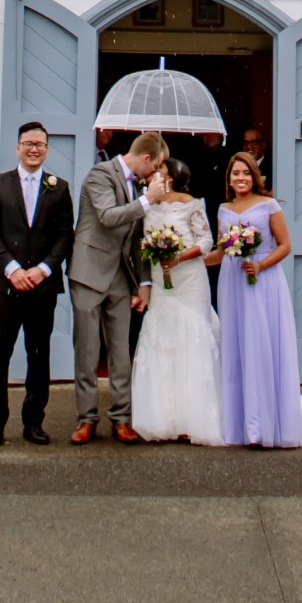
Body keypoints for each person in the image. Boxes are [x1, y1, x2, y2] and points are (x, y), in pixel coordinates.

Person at [68, 129, 169, 444]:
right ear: (145, 158)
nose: (155, 174)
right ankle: (86, 420)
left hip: (120, 278)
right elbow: (108, 217)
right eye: (155, 167)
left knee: (121, 352)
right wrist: (147, 200)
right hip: (89, 272)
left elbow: (137, 238)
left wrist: (143, 281)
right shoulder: (99, 174)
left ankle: (121, 419)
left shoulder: (138, 185)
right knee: (87, 350)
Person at [0, 121, 75, 448]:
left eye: (40, 144)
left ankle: (34, 422)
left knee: (38, 355)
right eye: (28, 143)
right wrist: (13, 269)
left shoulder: (58, 187)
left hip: (42, 288)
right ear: (18, 147)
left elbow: (65, 235)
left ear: (47, 149)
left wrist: (45, 270)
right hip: (6, 287)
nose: (34, 149)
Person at [209, 150, 302, 448]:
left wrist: (260, 265)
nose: (240, 178)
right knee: (238, 346)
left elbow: (285, 245)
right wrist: (188, 261)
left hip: (263, 280)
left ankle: (263, 424)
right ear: (229, 178)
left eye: (245, 173)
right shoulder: (224, 209)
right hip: (233, 281)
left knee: (261, 345)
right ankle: (241, 425)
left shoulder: (268, 205)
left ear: (254, 176)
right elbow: (220, 251)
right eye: (235, 173)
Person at [130, 156, 222, 445]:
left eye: (160, 170)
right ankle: (161, 416)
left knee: (189, 336)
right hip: (159, 279)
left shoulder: (192, 203)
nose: (153, 174)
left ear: (170, 176)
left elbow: (206, 242)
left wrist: (178, 257)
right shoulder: (146, 205)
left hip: (189, 279)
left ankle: (191, 417)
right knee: (162, 337)